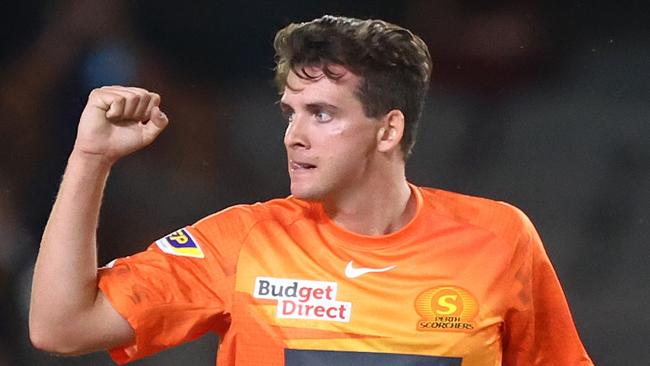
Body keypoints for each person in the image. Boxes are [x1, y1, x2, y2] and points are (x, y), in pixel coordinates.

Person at [29, 15, 593, 365]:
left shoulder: (499, 236)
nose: (294, 136)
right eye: (289, 113)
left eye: (321, 114)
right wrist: (91, 158)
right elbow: (61, 327)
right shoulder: (242, 240)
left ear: (389, 129)